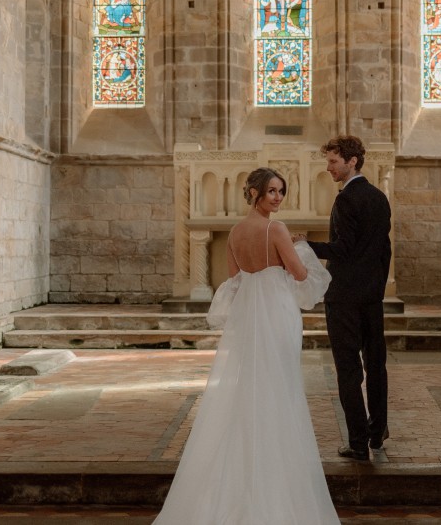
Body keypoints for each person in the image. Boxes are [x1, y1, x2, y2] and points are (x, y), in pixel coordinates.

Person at [153, 168, 339, 525]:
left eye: (281, 192)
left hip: (250, 315)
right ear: (253, 192)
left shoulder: (237, 233)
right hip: (278, 313)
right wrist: (300, 249)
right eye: (271, 191)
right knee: (279, 389)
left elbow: (235, 280)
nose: (278, 198)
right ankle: (272, 482)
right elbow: (300, 275)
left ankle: (242, 475)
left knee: (250, 389)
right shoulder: (276, 229)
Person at [294, 136, 392, 462]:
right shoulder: (379, 198)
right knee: (376, 365)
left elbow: (343, 250)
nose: (328, 167)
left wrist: (308, 246)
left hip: (345, 297)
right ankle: (377, 432)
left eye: (334, 161)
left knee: (349, 369)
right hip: (371, 298)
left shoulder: (347, 200)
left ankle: (357, 443)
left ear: (352, 161)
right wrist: (377, 289)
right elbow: (384, 251)